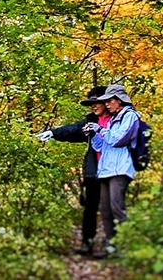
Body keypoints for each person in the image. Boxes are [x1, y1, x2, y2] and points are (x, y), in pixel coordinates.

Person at [35, 86, 110, 255]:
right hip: (94, 171)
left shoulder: (118, 119)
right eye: (91, 103)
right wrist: (53, 133)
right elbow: (73, 130)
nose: (93, 106)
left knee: (111, 208)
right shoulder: (91, 121)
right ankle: (87, 243)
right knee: (91, 208)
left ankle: (113, 244)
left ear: (106, 102)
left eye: (96, 102)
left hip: (113, 172)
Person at [83, 84, 139, 258]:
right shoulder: (113, 119)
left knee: (117, 208)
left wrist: (100, 129)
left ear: (119, 100)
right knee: (106, 210)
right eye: (105, 101)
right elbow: (102, 145)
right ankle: (111, 247)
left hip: (120, 169)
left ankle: (128, 246)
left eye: (109, 100)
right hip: (106, 170)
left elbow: (118, 139)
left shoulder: (130, 116)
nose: (107, 104)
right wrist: (92, 133)